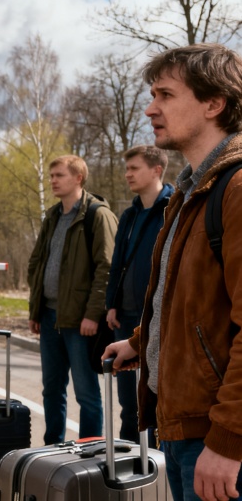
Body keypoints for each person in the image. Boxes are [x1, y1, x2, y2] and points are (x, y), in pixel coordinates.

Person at [103, 43, 242, 501]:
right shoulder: (192, 189)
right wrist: (141, 342)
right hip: (185, 425)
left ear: (213, 103)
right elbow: (191, 300)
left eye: (164, 94)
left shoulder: (236, 188)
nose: (150, 108)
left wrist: (228, 441)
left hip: (218, 437)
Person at [27, 155, 117, 444]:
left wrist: (93, 314)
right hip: (50, 317)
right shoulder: (52, 216)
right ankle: (52, 449)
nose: (52, 180)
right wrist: (36, 309)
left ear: (78, 178)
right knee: (52, 390)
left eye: (59, 175)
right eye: (51, 175)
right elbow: (38, 263)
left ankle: (91, 452)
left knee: (87, 393)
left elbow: (107, 269)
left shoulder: (97, 215)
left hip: (81, 322)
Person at [104, 145, 173, 444]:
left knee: (157, 399)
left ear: (156, 169)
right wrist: (111, 305)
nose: (127, 174)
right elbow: (117, 263)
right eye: (127, 168)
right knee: (128, 406)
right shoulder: (129, 215)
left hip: (156, 320)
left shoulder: (174, 209)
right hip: (124, 317)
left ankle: (158, 472)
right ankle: (129, 467)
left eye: (134, 168)